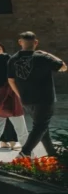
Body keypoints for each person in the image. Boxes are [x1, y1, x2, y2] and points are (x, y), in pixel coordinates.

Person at [8, 31, 67, 159]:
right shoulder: (42, 57)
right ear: (36, 42)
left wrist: (20, 95)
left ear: (20, 42)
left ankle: (52, 154)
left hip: (26, 99)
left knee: (41, 125)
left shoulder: (13, 59)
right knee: (40, 126)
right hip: (44, 98)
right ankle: (25, 152)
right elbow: (63, 67)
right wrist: (48, 54)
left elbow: (11, 80)